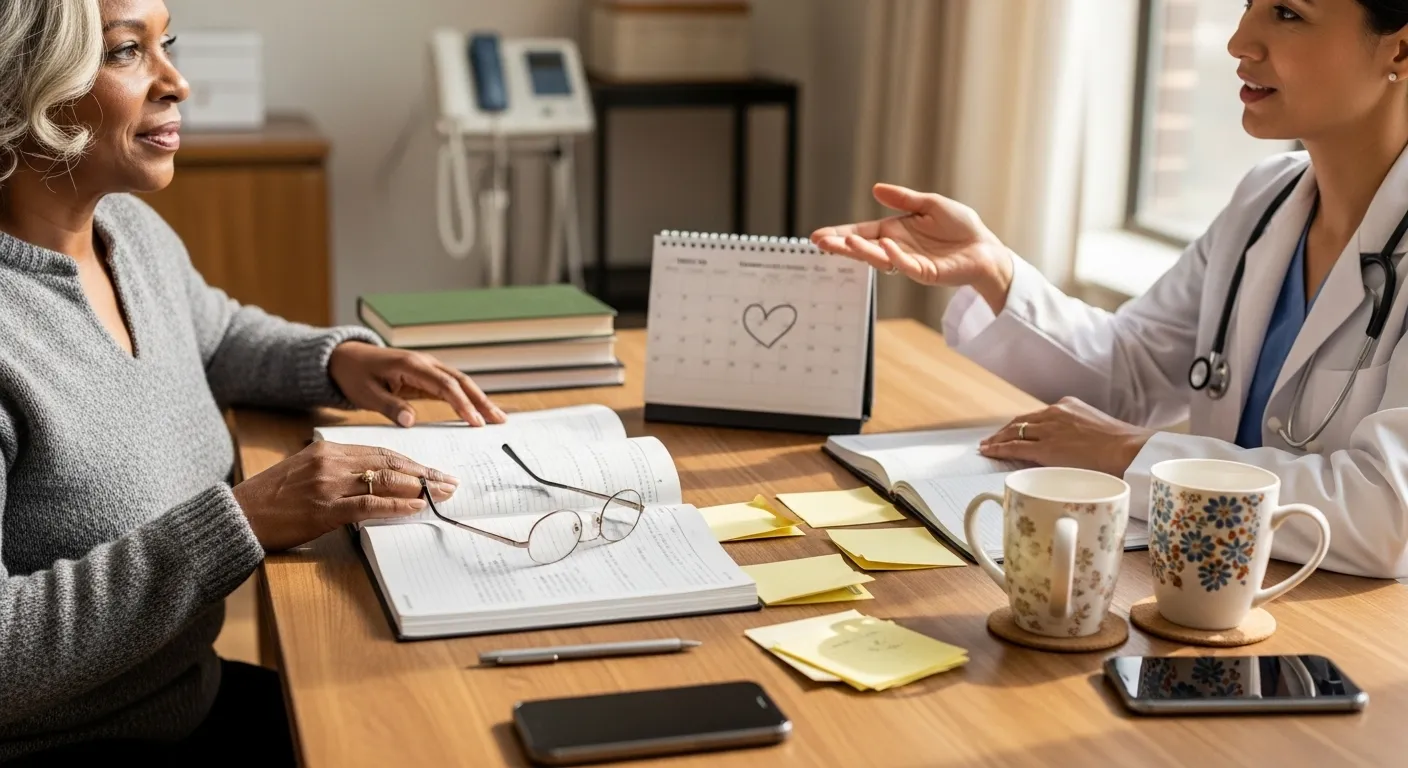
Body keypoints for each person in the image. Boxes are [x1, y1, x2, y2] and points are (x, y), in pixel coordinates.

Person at [0, 0, 503, 762]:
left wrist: (338, 359)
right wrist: (243, 519)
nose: (177, 82)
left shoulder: (126, 232)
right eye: (126, 52)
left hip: (184, 699)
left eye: (166, 44)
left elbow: (216, 333)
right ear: (19, 83)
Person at [814, 0, 1408, 580]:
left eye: (1288, 14)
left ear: (1400, 48)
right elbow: (1131, 372)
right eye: (1249, 4)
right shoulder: (1266, 201)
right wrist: (993, 271)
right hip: (1203, 589)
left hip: (1349, 627)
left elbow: (1387, 516)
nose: (1239, 42)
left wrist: (1129, 453)